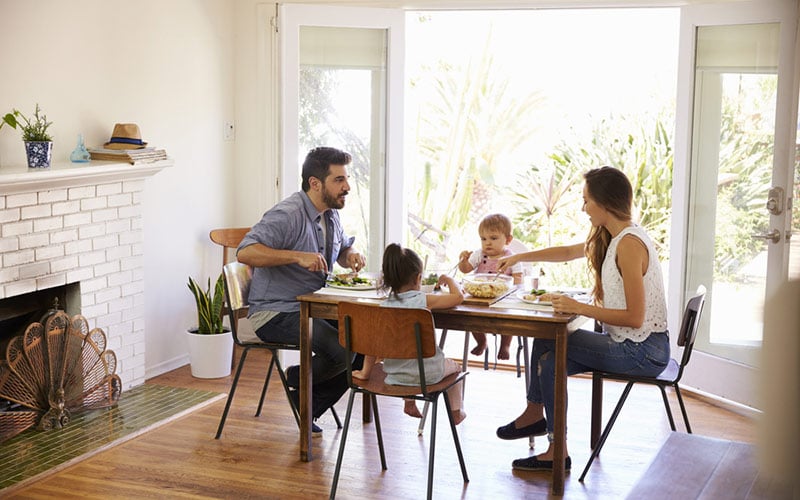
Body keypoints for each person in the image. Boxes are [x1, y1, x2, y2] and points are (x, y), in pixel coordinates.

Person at [494, 166, 669, 472]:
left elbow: (635, 317)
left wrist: (581, 307)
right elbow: (568, 251)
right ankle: (546, 433)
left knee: (550, 351)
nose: (583, 207)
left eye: (586, 200)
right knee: (547, 347)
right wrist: (521, 256)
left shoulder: (629, 244)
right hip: (631, 344)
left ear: (605, 203)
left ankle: (548, 437)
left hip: (642, 352)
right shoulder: (612, 236)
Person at [237, 146, 366, 436]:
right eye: (339, 180)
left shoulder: (330, 214)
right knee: (342, 351)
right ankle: (299, 378)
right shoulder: (288, 214)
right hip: (275, 312)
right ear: (315, 183)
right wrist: (295, 255)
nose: (346, 187)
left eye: (346, 179)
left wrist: (351, 254)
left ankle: (303, 397)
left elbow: (343, 248)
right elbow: (245, 252)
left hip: (314, 307)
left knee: (364, 344)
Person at [352, 243, 467, 425]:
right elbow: (458, 297)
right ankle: (456, 413)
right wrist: (450, 280)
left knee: (407, 360)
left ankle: (409, 401)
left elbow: (372, 347)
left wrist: (365, 372)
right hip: (429, 375)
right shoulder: (423, 300)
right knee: (456, 367)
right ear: (418, 278)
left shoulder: (383, 309)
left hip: (394, 375)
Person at [458, 213, 524, 360]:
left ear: (508, 240)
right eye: (483, 239)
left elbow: (518, 278)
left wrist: (514, 289)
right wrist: (463, 260)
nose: (487, 243)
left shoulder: (512, 257)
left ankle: (505, 345)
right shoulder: (479, 255)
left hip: (503, 298)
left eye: (493, 238)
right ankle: (482, 341)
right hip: (480, 296)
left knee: (507, 321)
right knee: (472, 319)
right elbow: (466, 269)